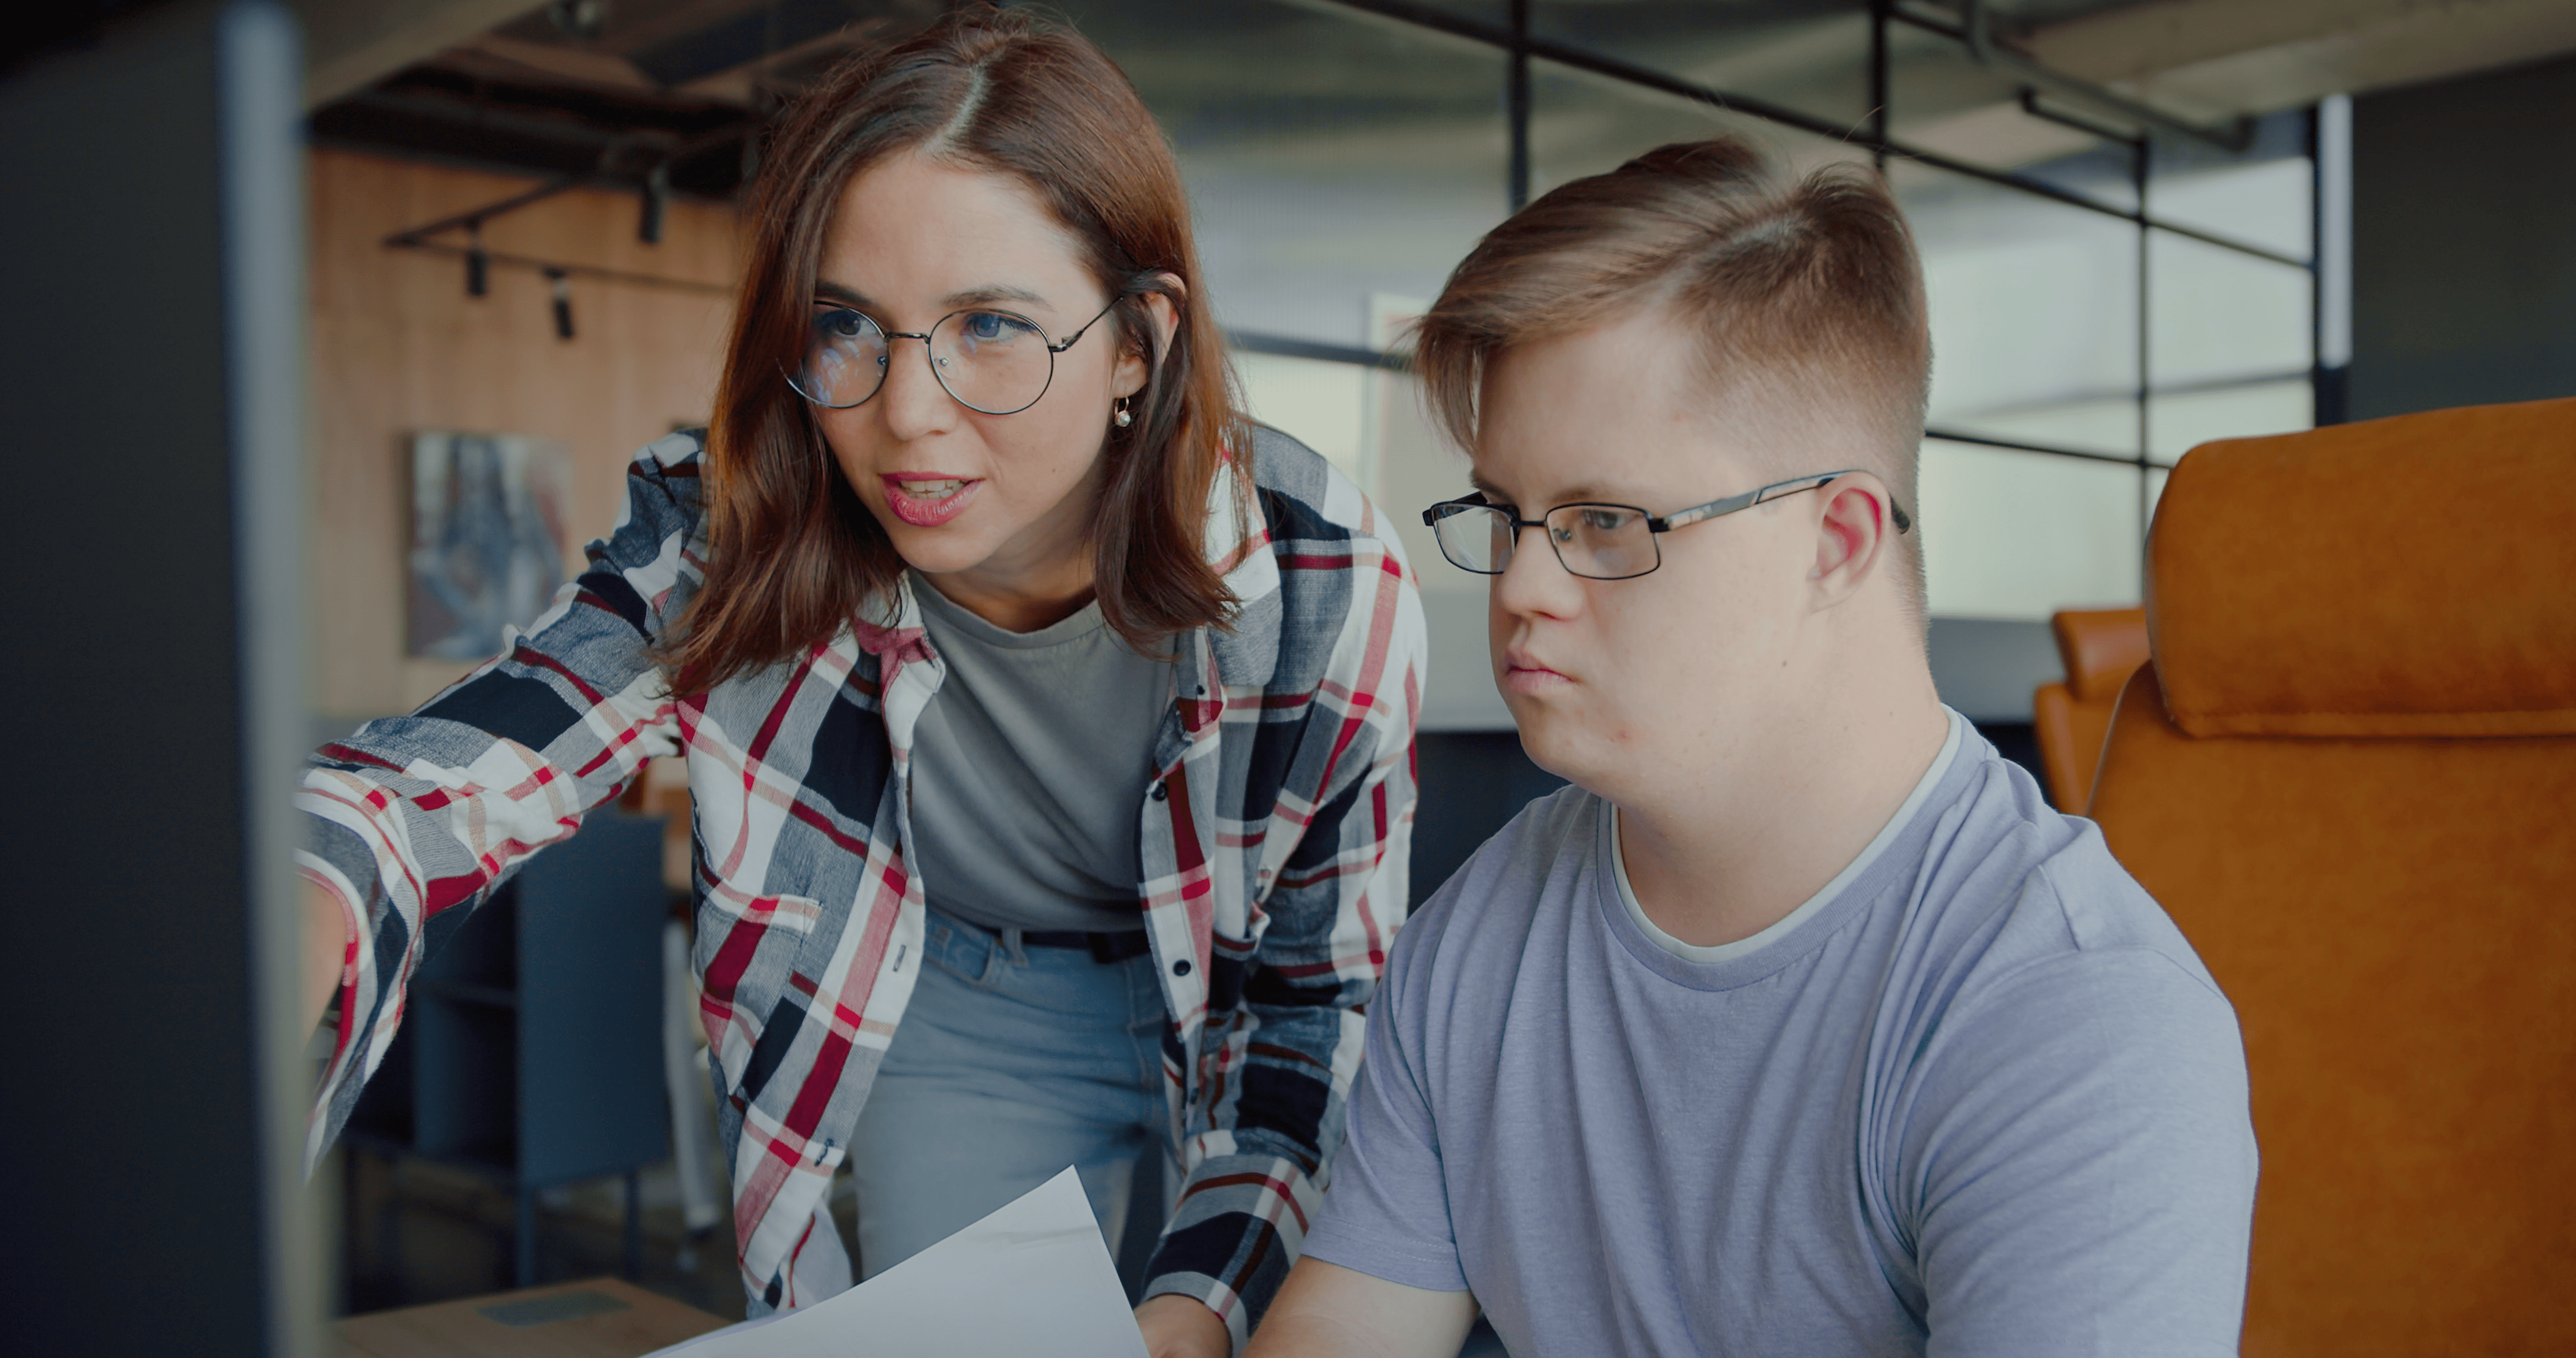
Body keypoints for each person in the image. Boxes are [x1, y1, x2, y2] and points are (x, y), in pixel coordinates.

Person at [294, 11, 1424, 1355]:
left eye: (991, 325)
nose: (905, 413)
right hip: (960, 1009)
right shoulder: (745, 532)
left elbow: (1312, 1006)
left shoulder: (1319, 576)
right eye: (848, 327)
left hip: (1235, 1000)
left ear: (1138, 340)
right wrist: (304, 892)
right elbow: (449, 782)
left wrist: (1195, 1306)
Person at [1249, 139, 2257, 1357]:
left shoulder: (2071, 1021)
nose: (1519, 585)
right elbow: (1351, 1322)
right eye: (1506, 515)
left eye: (1604, 523)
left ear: (1832, 542)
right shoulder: (1479, 933)